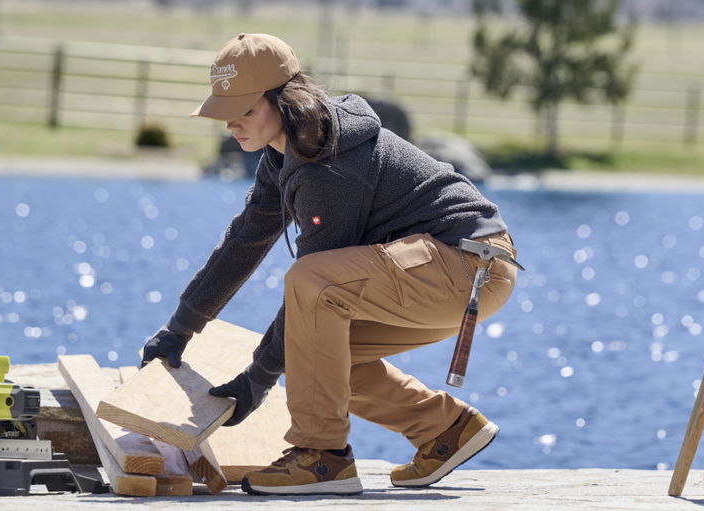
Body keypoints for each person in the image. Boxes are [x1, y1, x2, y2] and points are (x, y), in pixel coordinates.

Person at [141, 33, 519, 496]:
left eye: (245, 110)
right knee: (318, 355)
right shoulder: (280, 154)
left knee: (310, 284)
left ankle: (322, 457)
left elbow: (316, 282)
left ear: (284, 100)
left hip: (467, 265)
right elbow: (244, 241)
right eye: (226, 111)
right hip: (454, 270)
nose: (231, 124)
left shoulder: (328, 160)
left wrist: (256, 380)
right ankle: (443, 429)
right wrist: (180, 328)